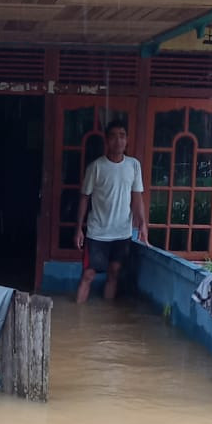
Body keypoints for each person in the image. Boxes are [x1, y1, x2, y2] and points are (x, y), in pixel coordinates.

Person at [74, 120, 147, 303]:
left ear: (127, 140)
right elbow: (84, 198)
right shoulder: (96, 167)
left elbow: (137, 198)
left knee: (114, 273)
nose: (118, 140)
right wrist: (78, 228)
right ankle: (78, 310)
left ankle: (107, 318)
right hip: (97, 232)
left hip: (122, 232)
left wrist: (143, 225)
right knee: (88, 275)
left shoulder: (133, 166)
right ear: (107, 140)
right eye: (113, 136)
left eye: (122, 136)